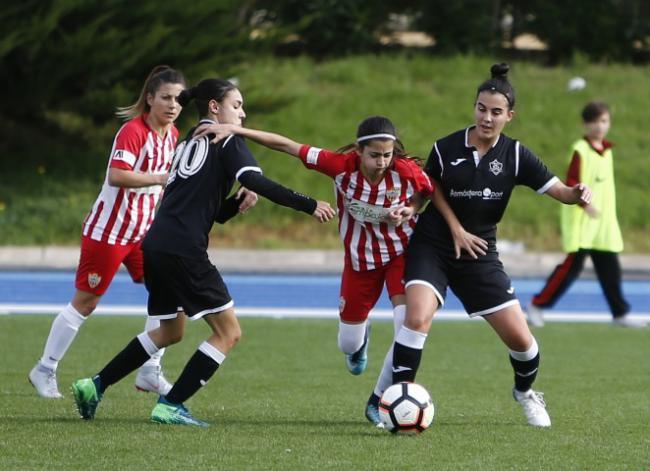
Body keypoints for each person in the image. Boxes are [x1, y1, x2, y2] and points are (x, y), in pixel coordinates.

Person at [70, 78, 336, 427]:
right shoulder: (226, 138)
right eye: (236, 105)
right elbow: (257, 181)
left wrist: (233, 206)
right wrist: (309, 203)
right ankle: (172, 404)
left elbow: (198, 207)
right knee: (229, 333)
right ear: (215, 107)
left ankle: (95, 385)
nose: (242, 114)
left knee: (170, 332)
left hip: (156, 243)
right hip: (183, 248)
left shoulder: (187, 141)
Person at [193, 116, 468, 427]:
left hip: (402, 257)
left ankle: (380, 399)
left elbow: (429, 192)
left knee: (407, 324)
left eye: (387, 155)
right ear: (359, 150)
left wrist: (412, 208)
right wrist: (236, 129)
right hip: (359, 263)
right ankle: (360, 342)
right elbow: (288, 145)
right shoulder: (339, 166)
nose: (381, 162)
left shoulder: (405, 171)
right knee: (347, 344)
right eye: (374, 155)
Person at [387, 63, 593, 428]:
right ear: (475, 108)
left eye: (496, 112)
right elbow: (427, 188)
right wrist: (413, 209)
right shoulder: (445, 147)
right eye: (481, 108)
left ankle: (525, 393)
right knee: (416, 319)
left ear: (509, 116)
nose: (486, 117)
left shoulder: (516, 156)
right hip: (433, 245)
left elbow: (558, 190)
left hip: (479, 253)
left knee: (524, 344)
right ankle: (399, 402)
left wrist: (577, 194)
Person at [29, 66, 189, 398]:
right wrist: (159, 177)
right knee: (86, 303)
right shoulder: (133, 131)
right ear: (150, 99)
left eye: (178, 99)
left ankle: (150, 371)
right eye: (166, 98)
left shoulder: (172, 135)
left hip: (144, 234)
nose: (173, 105)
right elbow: (117, 175)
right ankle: (44, 369)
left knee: (170, 296)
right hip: (109, 232)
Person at [527, 102, 645, 328]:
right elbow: (571, 182)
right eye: (595, 122)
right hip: (583, 222)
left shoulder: (607, 152)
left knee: (610, 269)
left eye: (604, 121)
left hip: (602, 224)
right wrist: (584, 205)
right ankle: (537, 305)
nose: (600, 127)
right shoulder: (580, 149)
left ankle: (620, 314)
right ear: (585, 124)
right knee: (571, 269)